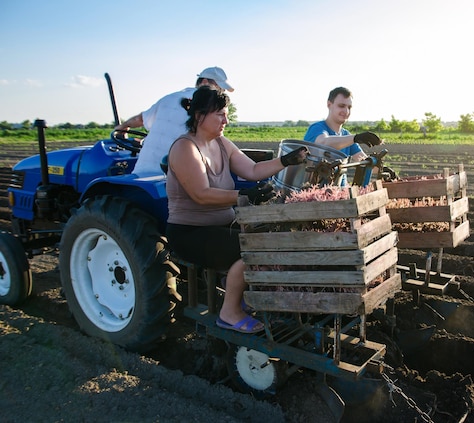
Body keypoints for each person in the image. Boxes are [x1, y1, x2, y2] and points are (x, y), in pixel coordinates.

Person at [165, 86, 308, 334]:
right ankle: (228, 312)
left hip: (222, 224)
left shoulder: (221, 143)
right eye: (220, 113)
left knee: (268, 239)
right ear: (200, 115)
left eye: (226, 113)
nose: (226, 120)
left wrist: (285, 161)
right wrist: (243, 194)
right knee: (251, 251)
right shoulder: (185, 148)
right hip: (190, 232)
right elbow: (201, 195)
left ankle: (233, 285)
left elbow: (252, 170)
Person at [115, 66, 234, 176]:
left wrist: (123, 127)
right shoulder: (208, 106)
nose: (221, 93)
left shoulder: (169, 98)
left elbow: (140, 119)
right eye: (220, 88)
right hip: (176, 177)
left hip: (142, 171)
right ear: (204, 82)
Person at [303, 86, 383, 162]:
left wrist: (381, 168)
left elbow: (362, 159)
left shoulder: (346, 135)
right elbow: (323, 143)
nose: (346, 111)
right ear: (329, 105)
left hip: (340, 177)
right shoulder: (317, 128)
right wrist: (355, 138)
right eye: (341, 106)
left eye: (349, 107)